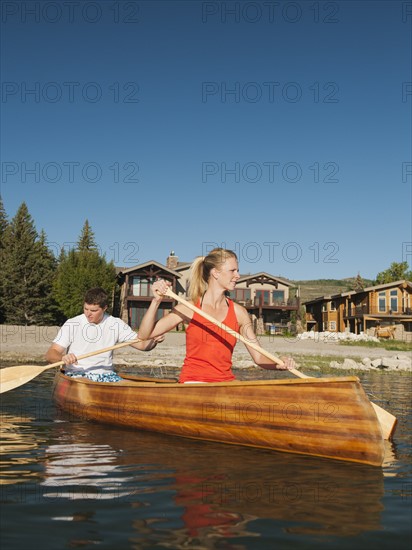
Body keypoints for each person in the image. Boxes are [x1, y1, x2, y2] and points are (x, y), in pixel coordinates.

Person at [137, 248, 297, 383]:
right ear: (215, 273)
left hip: (225, 385)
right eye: (233, 271)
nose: (238, 276)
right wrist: (156, 301)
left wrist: (278, 363)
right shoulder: (189, 307)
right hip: (194, 382)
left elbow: (259, 357)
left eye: (238, 270)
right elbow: (145, 335)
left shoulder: (239, 313)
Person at [45, 287, 163, 381]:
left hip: (107, 376)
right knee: (86, 384)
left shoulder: (115, 324)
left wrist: (153, 341)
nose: (88, 314)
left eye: (94, 311)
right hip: (77, 375)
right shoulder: (73, 323)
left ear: (105, 308)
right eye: (86, 309)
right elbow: (50, 354)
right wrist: (63, 358)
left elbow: (142, 345)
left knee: (135, 388)